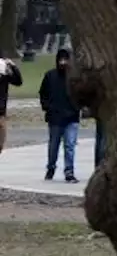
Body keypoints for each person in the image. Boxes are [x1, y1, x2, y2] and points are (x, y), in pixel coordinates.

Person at [39, 49, 80, 183]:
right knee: (54, 145)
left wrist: (77, 107)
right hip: (55, 116)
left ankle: (69, 171)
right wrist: (48, 107)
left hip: (71, 116)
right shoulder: (50, 76)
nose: (63, 62)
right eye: (61, 59)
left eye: (65, 59)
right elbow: (43, 93)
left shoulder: (74, 78)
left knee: (70, 145)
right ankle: (51, 167)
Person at [0, 55, 24, 157]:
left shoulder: (4, 77)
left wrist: (13, 66)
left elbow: (18, 81)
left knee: (1, 136)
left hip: (1, 112)